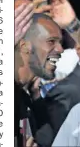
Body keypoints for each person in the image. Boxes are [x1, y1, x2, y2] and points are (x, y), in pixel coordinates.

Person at [14, 13, 63, 147]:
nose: (60, 49)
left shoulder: (26, 95)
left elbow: (47, 141)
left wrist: (36, 98)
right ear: (25, 47)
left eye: (60, 43)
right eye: (51, 41)